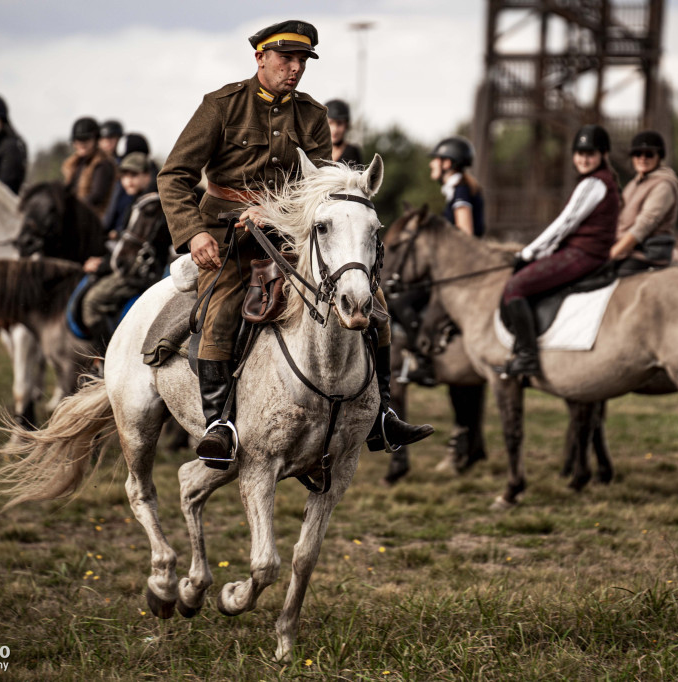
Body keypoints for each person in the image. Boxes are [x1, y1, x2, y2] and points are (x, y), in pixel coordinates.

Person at [158, 19, 433, 468]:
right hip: (226, 236)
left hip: (289, 234)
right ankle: (219, 424)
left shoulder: (312, 114)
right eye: (286, 58)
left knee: (374, 302)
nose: (295, 68)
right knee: (225, 303)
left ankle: (382, 413)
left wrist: (276, 212)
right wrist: (193, 231)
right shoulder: (222, 105)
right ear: (260, 58)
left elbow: (322, 188)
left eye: (302, 60)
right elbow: (174, 176)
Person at [500, 123, 621, 378]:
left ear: (603, 155)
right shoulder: (602, 182)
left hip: (583, 254)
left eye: (590, 153)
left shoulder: (594, 184)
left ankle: (528, 356)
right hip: (585, 252)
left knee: (515, 288)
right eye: (579, 153)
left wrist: (528, 253)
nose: (584, 158)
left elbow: (564, 224)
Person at [82, 151, 167, 354]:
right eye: (125, 175)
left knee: (92, 303)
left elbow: (132, 252)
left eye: (134, 175)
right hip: (134, 268)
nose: (128, 180)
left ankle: (108, 357)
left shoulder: (152, 205)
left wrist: (103, 265)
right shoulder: (138, 202)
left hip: (141, 274)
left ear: (147, 175)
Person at [611, 130, 678, 275]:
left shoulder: (664, 185)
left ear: (659, 156)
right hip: (628, 250)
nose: (642, 158)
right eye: (638, 154)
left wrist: (612, 254)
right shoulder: (634, 183)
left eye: (649, 154)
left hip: (646, 254)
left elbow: (643, 226)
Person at [62, 116, 116, 220]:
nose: (81, 144)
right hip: (76, 219)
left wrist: (70, 208)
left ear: (95, 140)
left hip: (92, 222)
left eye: (86, 139)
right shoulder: (75, 164)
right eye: (78, 140)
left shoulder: (103, 164)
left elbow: (96, 196)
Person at [325, 99, 362, 165]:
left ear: (346, 126)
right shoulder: (314, 152)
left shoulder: (352, 153)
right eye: (330, 123)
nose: (335, 129)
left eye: (339, 123)